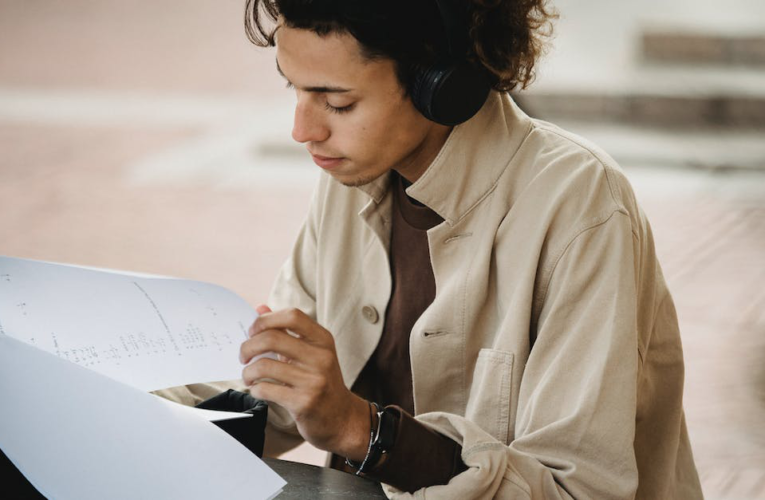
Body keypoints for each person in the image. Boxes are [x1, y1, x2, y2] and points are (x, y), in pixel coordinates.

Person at [159, 0, 704, 497]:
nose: (303, 129)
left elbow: (579, 490)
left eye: (338, 102)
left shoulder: (582, 206)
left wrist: (360, 430)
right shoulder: (349, 182)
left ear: (442, 85)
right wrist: (130, 416)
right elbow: (284, 399)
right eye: (294, 89)